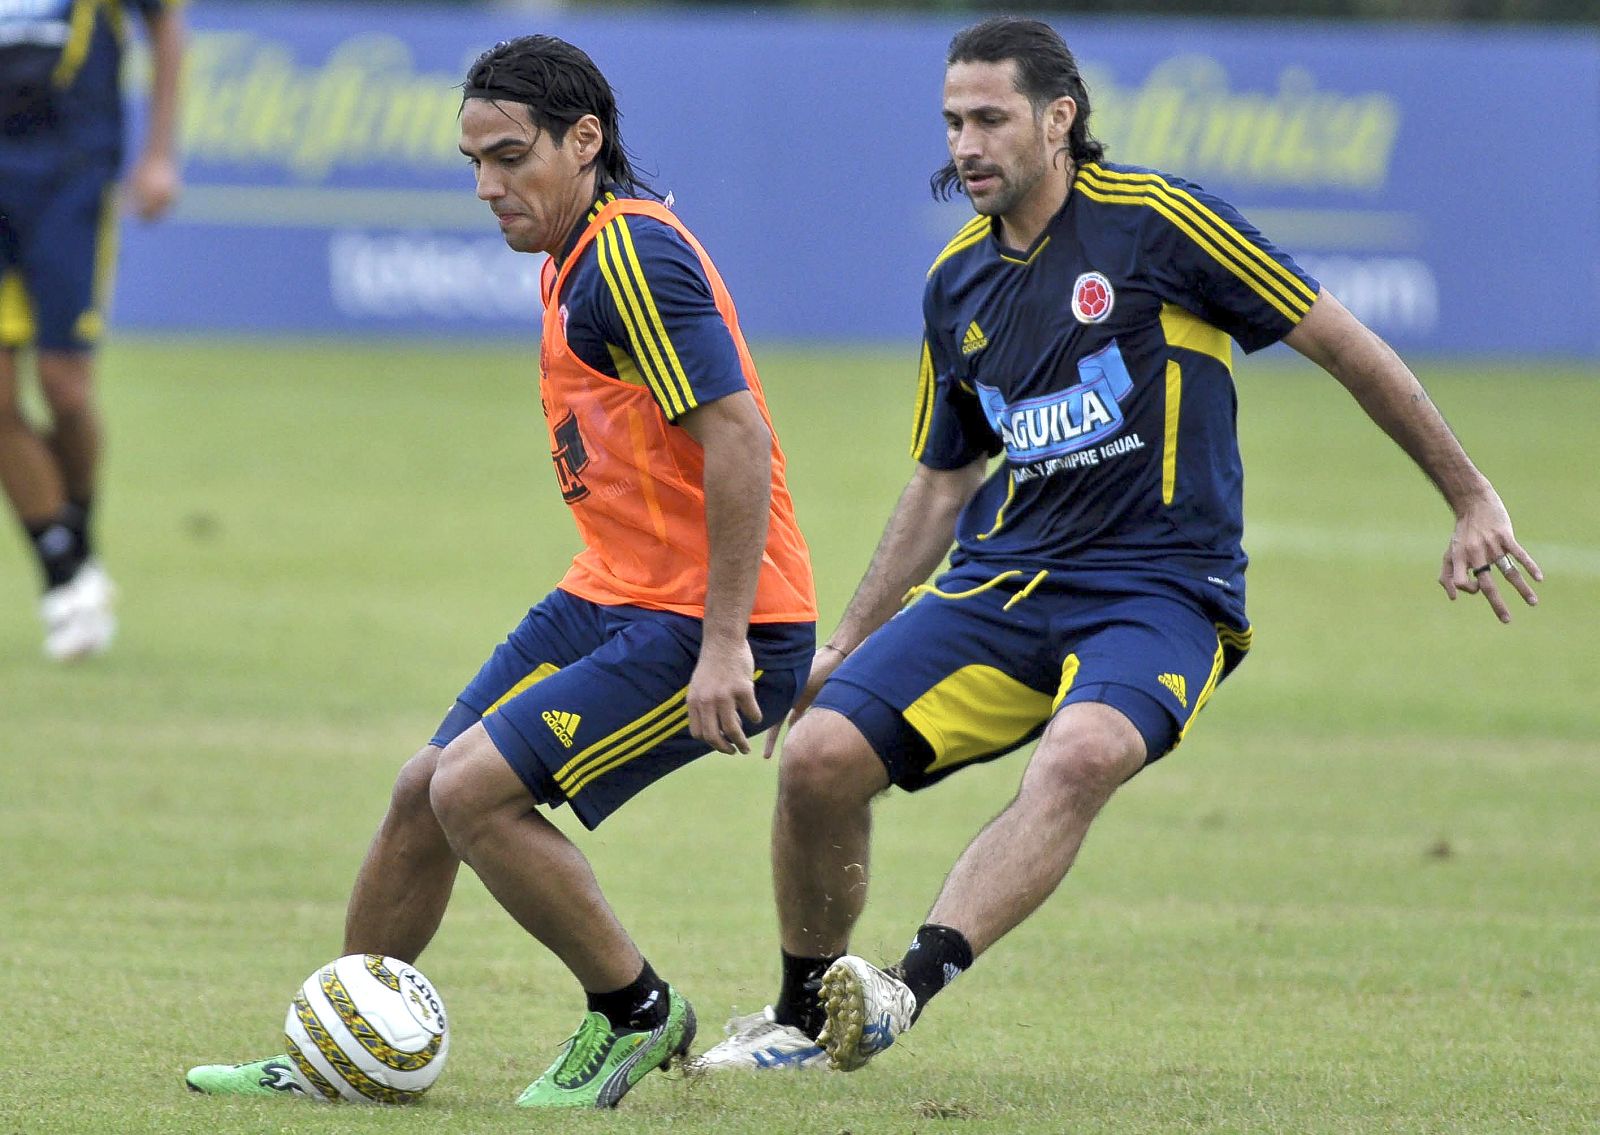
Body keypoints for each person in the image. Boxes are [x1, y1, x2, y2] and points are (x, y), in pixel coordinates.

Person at [697, 15, 1541, 1075]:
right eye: (953, 122)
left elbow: (1340, 341)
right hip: (1004, 584)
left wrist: (1469, 494)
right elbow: (944, 479)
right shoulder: (956, 282)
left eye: (990, 119)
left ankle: (902, 990)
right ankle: (798, 1019)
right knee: (818, 757)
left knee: (1085, 751)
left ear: (1059, 118)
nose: (965, 145)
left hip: (1164, 591)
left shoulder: (1157, 223)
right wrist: (848, 641)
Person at [185, 35, 817, 1109]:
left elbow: (740, 439)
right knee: (421, 789)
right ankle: (338, 1049)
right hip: (613, 589)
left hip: (717, 619)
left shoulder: (632, 256)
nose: (487, 185)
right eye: (474, 162)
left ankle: (635, 1009)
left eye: (510, 157)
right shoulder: (574, 255)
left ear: (586, 140)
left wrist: (724, 645)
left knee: (470, 792)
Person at [0, 0, 184, 660]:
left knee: (65, 388)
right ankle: (64, 573)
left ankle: (77, 533)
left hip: (69, 174)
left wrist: (158, 154)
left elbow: (166, 24)